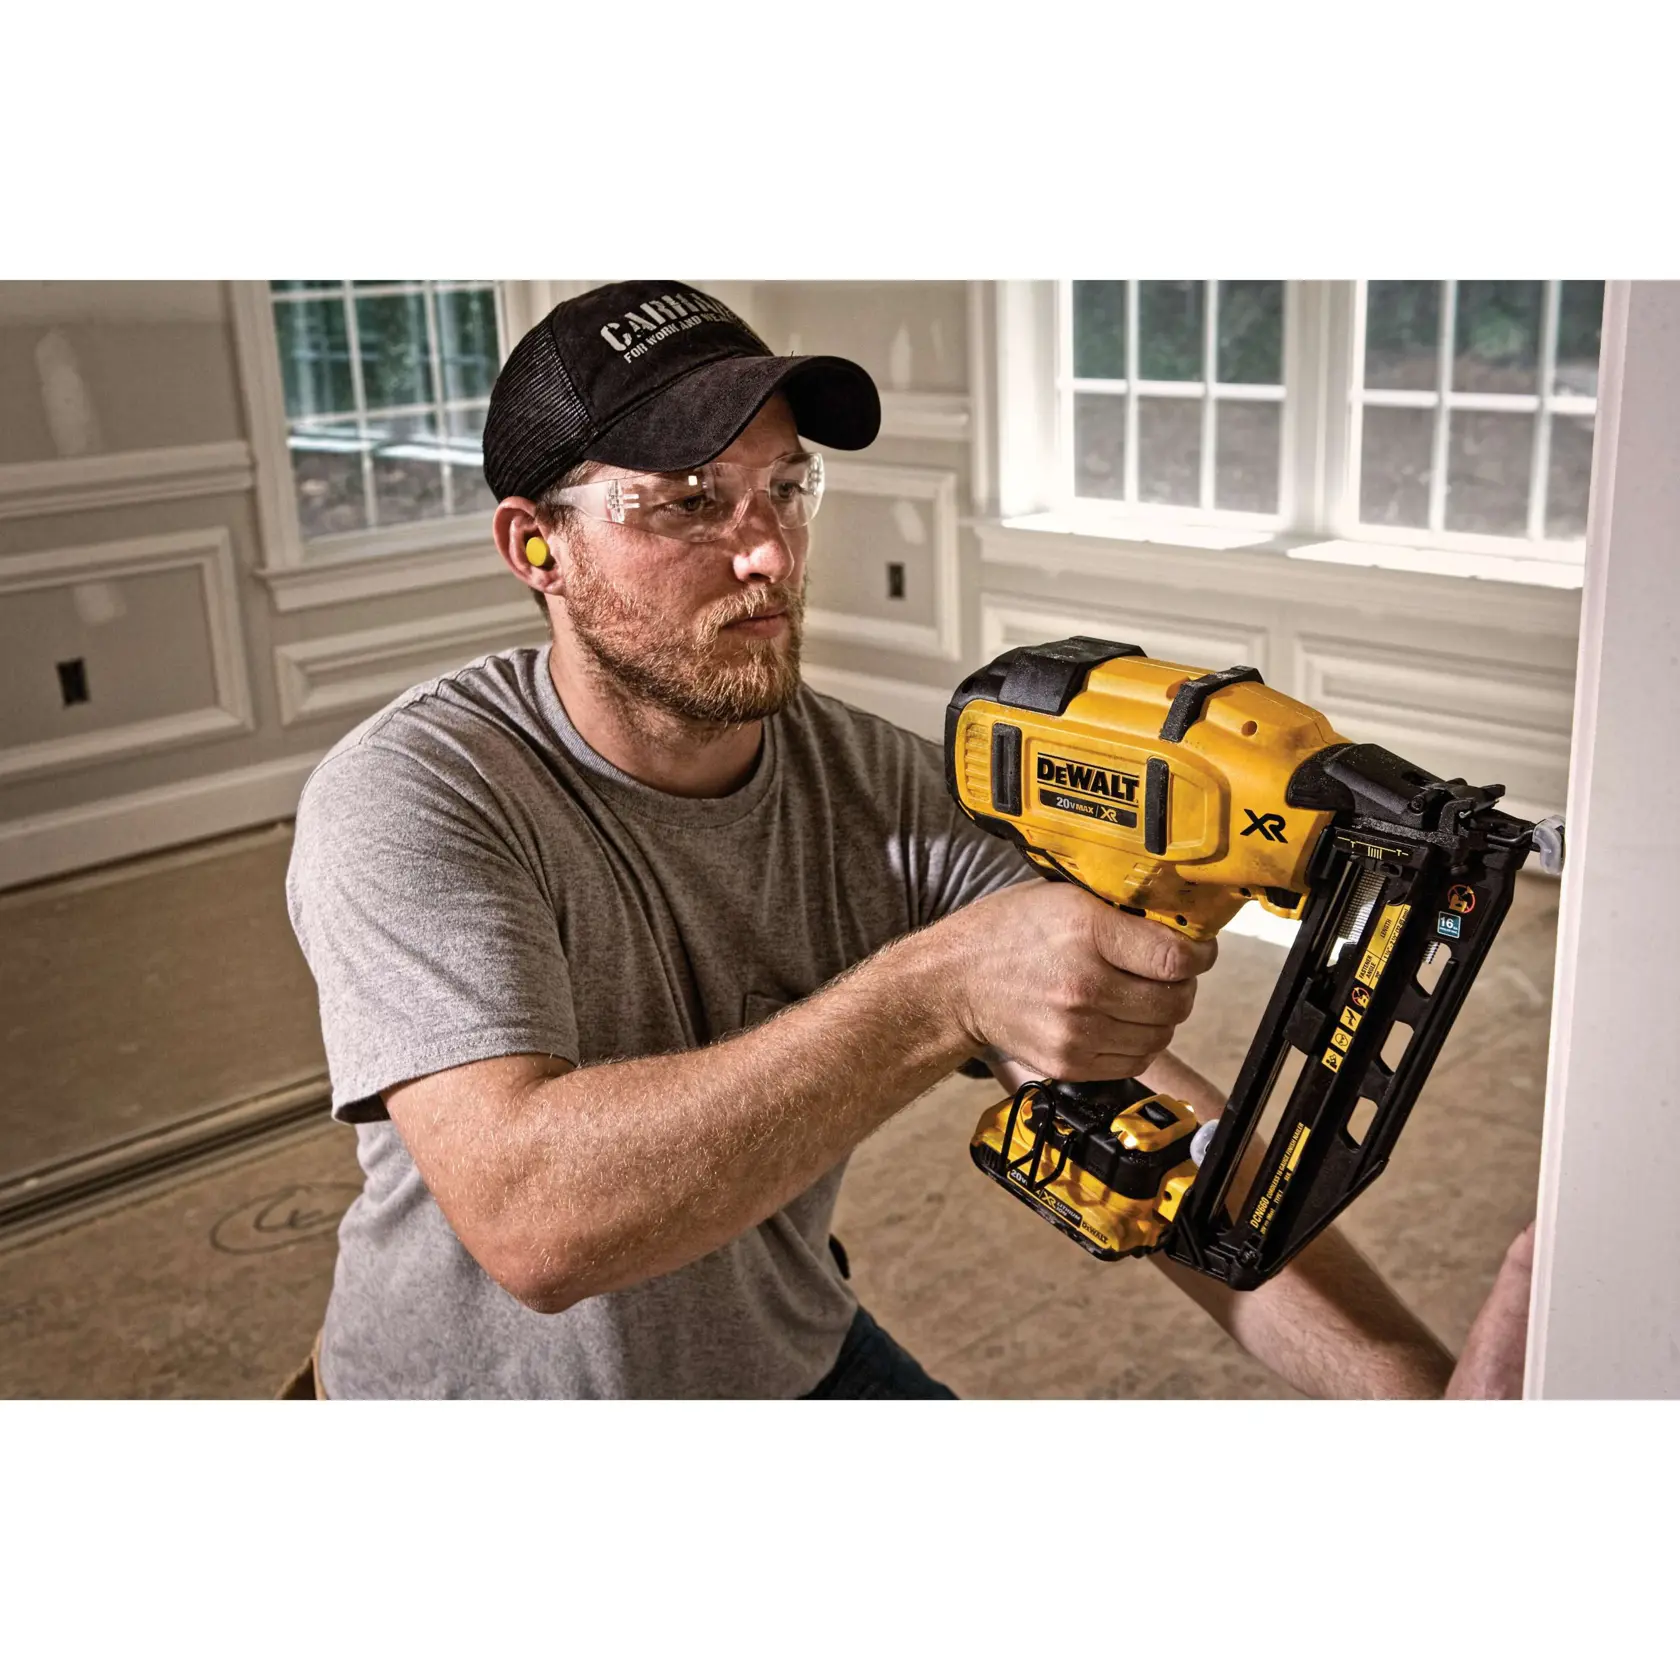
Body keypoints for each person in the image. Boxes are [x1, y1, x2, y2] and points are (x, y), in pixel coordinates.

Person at [286, 280, 1531, 1399]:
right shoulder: (416, 795)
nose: (767, 550)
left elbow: (1124, 1105)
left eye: (784, 485)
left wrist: (1410, 1393)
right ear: (536, 548)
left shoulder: (877, 787)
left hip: (786, 1357)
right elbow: (537, 1226)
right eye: (687, 503)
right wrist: (942, 986)